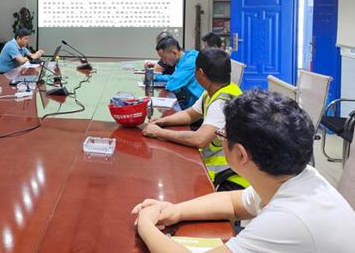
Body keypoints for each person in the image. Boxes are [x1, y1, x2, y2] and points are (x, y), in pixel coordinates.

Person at [132, 89, 355, 253]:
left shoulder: (289, 219)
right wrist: (174, 211)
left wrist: (146, 224)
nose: (220, 137)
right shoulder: (294, 177)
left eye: (222, 134)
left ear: (240, 154)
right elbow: (233, 202)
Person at [142, 48, 247, 190]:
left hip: (231, 179)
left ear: (200, 73)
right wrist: (162, 121)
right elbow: (190, 114)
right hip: (218, 171)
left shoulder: (222, 102)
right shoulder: (216, 91)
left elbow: (199, 139)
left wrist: (159, 133)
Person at [152, 37, 203, 110]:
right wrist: (155, 77)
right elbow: (175, 77)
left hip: (199, 108)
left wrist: (157, 77)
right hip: (190, 104)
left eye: (164, 58)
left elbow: (172, 85)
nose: (163, 62)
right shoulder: (183, 59)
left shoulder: (190, 62)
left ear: (174, 52)